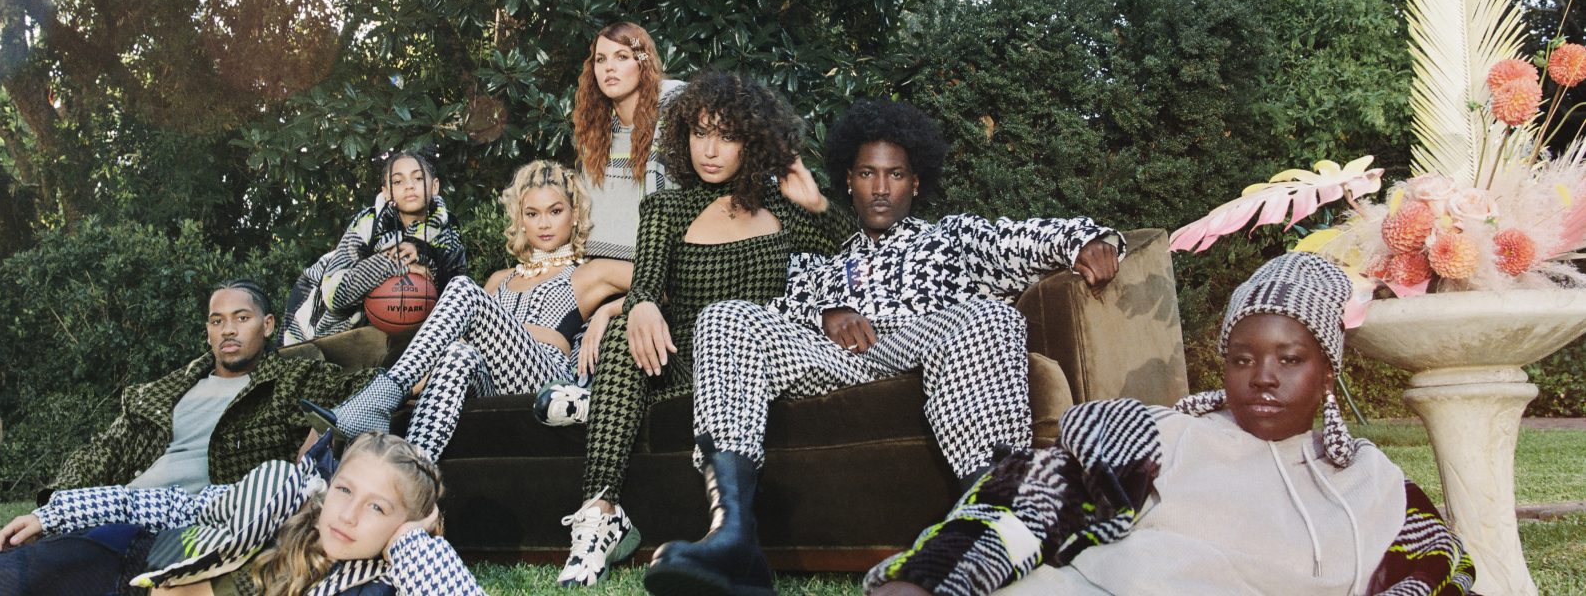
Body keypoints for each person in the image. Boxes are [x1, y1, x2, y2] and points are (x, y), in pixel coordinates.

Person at [645, 100, 1122, 596]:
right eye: (867, 174)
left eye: (894, 175)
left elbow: (1020, 238)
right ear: (848, 181)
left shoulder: (951, 238)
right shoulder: (821, 262)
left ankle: (993, 523)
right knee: (725, 316)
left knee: (990, 314)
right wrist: (825, 312)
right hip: (834, 360)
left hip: (918, 343)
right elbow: (778, 308)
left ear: (914, 183)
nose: (879, 188)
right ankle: (733, 538)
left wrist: (1086, 241)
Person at [862, 253, 1476, 596]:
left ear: (1327, 372)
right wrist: (928, 578)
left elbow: (1438, 566)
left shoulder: (1372, 479)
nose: (1262, 377)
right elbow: (1035, 497)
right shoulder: (1164, 435)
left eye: (1289, 360)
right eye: (1241, 359)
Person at [0, 280, 380, 592]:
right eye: (217, 321)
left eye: (241, 318)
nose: (228, 330)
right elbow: (105, 449)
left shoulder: (294, 379)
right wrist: (61, 503)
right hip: (114, 508)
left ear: (268, 325)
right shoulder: (167, 390)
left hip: (191, 524)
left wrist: (322, 427)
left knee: (12, 576)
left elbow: (367, 390)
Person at [553, 72, 852, 587]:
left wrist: (816, 202)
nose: (709, 151)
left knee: (628, 338)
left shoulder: (782, 208)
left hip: (747, 372)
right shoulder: (666, 208)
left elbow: (858, 256)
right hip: (675, 362)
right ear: (683, 135)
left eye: (727, 136)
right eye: (700, 133)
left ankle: (599, 402)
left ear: (752, 142)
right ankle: (599, 513)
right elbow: (646, 284)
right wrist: (641, 304)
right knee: (626, 327)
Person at [0, 433, 483, 595]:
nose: (348, 515)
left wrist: (416, 544)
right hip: (127, 557)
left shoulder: (373, 584)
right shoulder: (283, 495)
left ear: (405, 524)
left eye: (379, 508)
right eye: (345, 490)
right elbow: (177, 503)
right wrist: (61, 513)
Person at [321, 160, 633, 458]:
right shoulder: (500, 279)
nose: (544, 223)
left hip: (545, 380)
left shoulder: (589, 272)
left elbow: (654, 285)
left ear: (574, 214)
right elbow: (461, 338)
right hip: (492, 384)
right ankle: (414, 467)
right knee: (459, 353)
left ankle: (381, 396)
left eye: (555, 211)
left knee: (462, 288)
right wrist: (418, 385)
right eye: (532, 213)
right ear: (521, 219)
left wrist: (605, 313)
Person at [283, 151, 469, 346]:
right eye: (398, 181)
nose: (409, 185)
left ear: (435, 186)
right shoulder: (368, 223)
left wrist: (424, 253)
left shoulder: (449, 232)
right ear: (386, 193)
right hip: (337, 331)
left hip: (414, 334)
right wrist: (396, 263)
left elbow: (455, 293)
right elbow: (334, 295)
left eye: (418, 178)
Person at [572, 22, 686, 261]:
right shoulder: (594, 132)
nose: (609, 67)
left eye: (622, 57)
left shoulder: (673, 121)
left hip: (653, 267)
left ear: (643, 62)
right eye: (600, 59)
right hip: (594, 263)